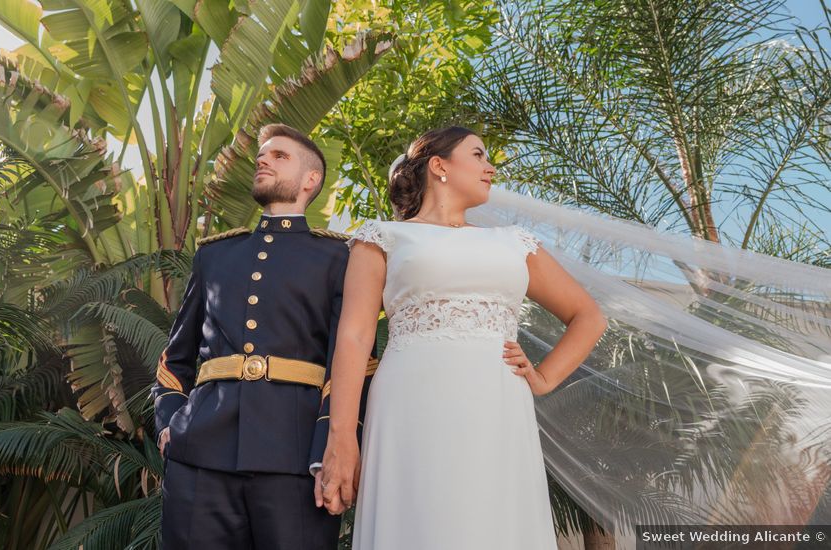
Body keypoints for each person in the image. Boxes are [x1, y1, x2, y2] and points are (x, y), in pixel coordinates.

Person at [318, 126, 608, 548]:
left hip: (497, 405)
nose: (490, 168)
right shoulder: (383, 237)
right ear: (439, 166)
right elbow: (355, 336)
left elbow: (588, 316)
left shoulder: (513, 243)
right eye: (478, 155)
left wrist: (544, 379)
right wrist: (342, 437)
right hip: (409, 403)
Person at [151, 123, 373, 549]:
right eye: (262, 156)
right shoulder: (214, 255)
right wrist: (170, 423)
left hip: (295, 456)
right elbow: (174, 358)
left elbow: (355, 362)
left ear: (311, 180)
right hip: (199, 451)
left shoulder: (339, 257)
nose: (263, 160)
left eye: (280, 156)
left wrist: (327, 447)